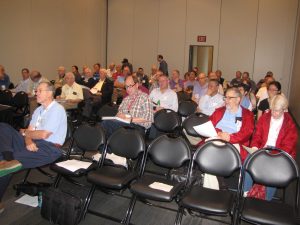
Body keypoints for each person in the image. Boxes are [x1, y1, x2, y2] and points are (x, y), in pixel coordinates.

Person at [0, 81, 67, 212]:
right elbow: (30, 131)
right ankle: (8, 156)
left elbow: (43, 134)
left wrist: (26, 133)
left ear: (49, 93)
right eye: (36, 90)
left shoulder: (57, 109)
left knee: (5, 165)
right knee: (3, 127)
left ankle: (7, 159)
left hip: (49, 148)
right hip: (31, 142)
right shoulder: (38, 110)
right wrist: (27, 140)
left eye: (39, 90)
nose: (36, 93)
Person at [244, 95, 298, 201]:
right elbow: (257, 135)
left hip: (279, 154)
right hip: (263, 150)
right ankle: (245, 192)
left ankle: (266, 200)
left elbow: (288, 145)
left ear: (284, 109)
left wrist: (271, 154)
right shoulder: (265, 117)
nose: (273, 113)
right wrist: (255, 147)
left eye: (277, 111)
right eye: (272, 110)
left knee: (273, 169)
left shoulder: (289, 123)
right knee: (248, 161)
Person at [209, 87, 254, 162]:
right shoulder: (219, 111)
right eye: (225, 97)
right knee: (210, 148)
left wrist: (230, 138)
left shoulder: (247, 115)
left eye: (229, 98)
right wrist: (219, 133)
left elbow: (247, 133)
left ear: (238, 99)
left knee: (221, 152)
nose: (226, 100)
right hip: (216, 137)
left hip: (235, 142)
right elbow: (209, 125)